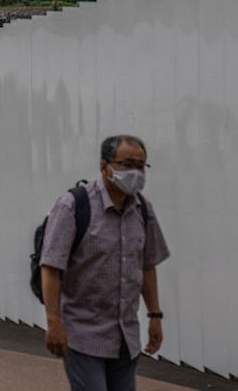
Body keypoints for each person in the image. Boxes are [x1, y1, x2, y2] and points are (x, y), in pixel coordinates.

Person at [40, 134, 171, 391]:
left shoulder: (143, 210)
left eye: (140, 165)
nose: (135, 172)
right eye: (127, 164)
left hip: (125, 337)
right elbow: (51, 267)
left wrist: (154, 315)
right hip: (83, 335)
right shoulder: (73, 206)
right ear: (104, 166)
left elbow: (147, 266)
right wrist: (53, 323)